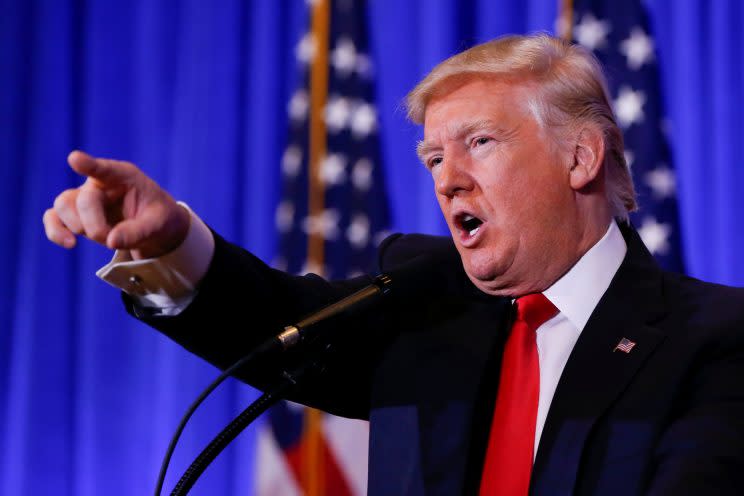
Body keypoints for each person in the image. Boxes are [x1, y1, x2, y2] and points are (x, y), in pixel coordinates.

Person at [43, 34, 744, 495]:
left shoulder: (714, 337)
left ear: (581, 157)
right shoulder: (425, 300)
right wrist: (169, 243)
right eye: (435, 158)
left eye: (480, 143)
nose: (447, 180)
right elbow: (274, 320)